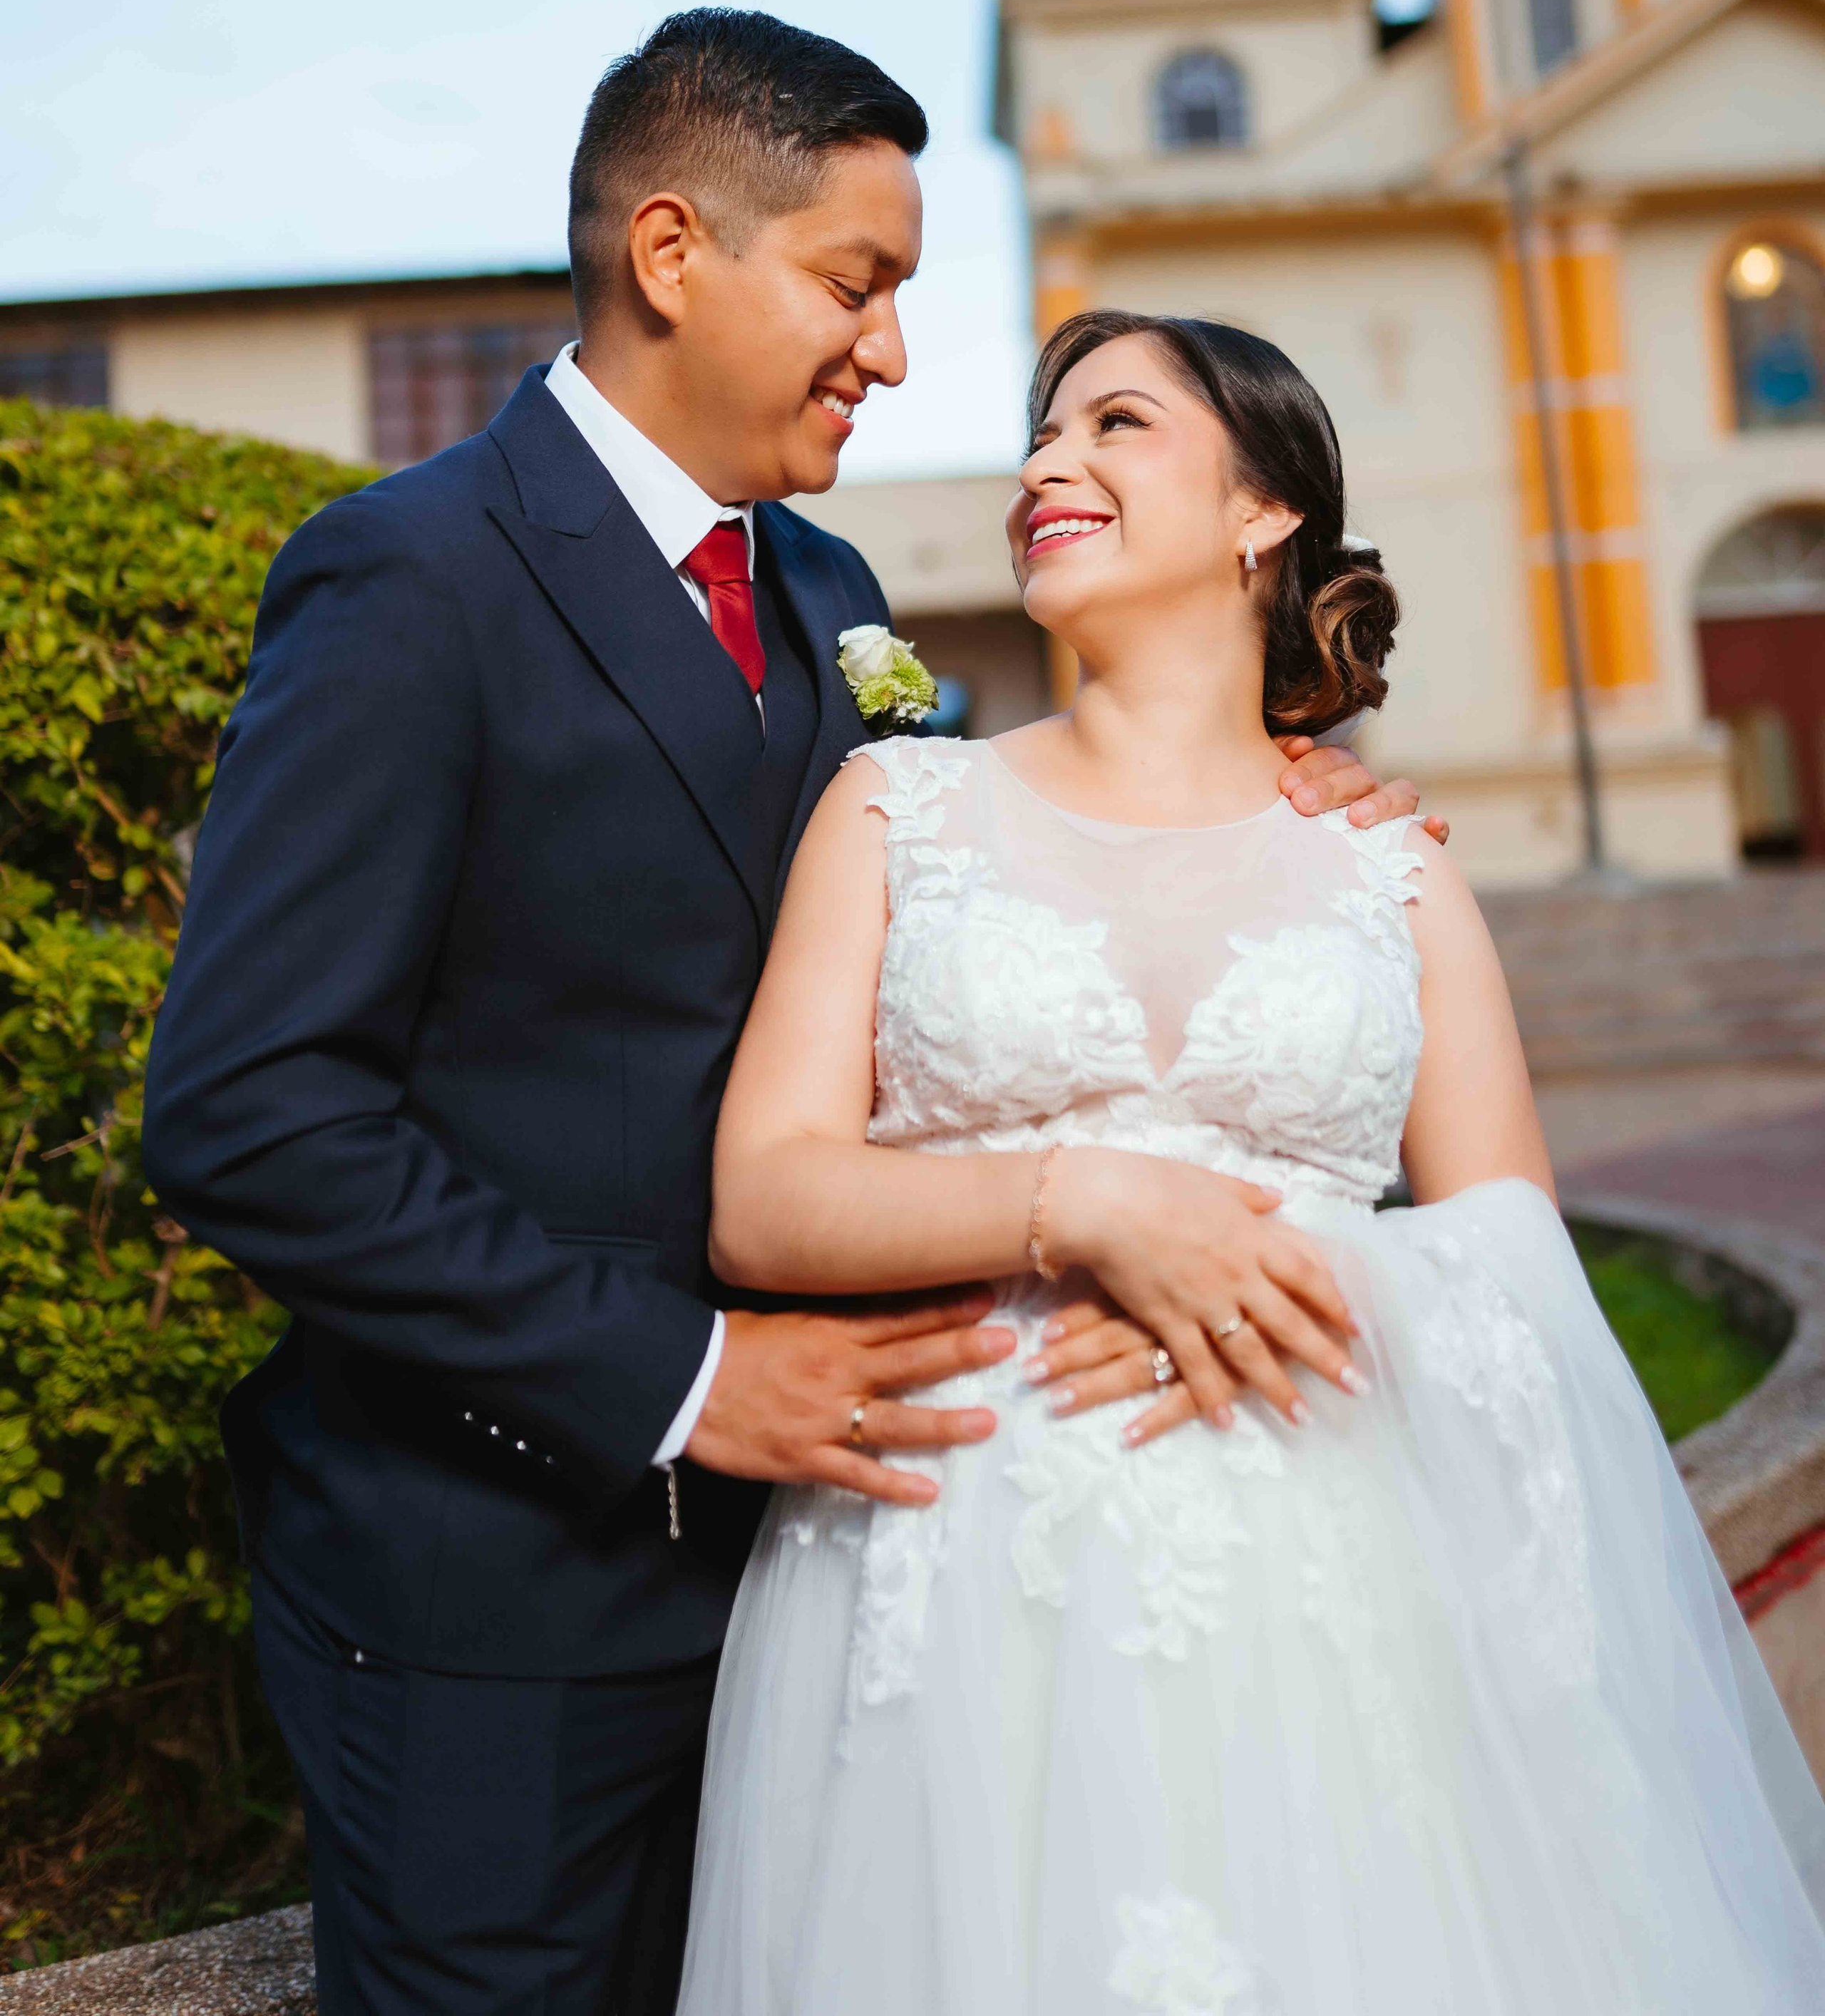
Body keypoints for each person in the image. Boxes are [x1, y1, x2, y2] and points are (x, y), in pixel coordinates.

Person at [141, 14, 1422, 2016]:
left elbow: (956, 874)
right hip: (500, 1597)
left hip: (831, 1586)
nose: (893, 353)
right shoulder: (409, 580)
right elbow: (251, 1113)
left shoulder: (828, 588)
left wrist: (1270, 798)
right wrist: (678, 1378)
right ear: (672, 252)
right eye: (858, 285)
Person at [678, 307, 1825, 2016]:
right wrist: (1086, 1208)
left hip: (1332, 1575)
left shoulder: (1388, 869)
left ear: (1260, 509)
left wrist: (1273, 1266)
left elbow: (1511, 1245)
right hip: (962, 1580)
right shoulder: (895, 813)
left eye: (1115, 425)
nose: (1049, 462)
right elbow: (763, 1197)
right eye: (1041, 434)